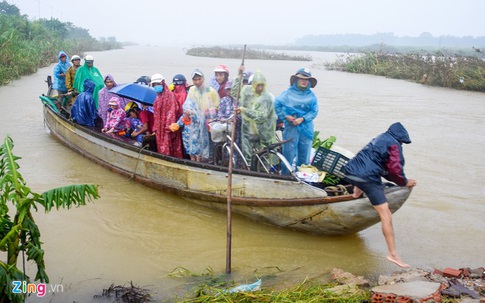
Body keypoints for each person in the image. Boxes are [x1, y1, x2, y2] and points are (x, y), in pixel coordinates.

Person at [343, 122, 417, 268]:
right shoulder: (395, 144)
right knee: (386, 215)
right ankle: (393, 254)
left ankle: (356, 193)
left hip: (350, 171)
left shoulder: (379, 138)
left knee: (366, 170)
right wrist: (405, 182)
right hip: (367, 178)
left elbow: (372, 161)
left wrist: (395, 179)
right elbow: (395, 170)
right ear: (402, 138)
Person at [275, 68, 319, 174]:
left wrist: (303, 118)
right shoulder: (287, 94)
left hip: (306, 128)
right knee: (288, 153)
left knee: (305, 154)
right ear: (296, 80)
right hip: (291, 127)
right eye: (301, 79)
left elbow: (314, 111)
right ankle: (286, 176)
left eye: (307, 79)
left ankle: (302, 176)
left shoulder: (311, 96)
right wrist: (286, 116)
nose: (304, 81)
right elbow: (277, 105)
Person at [235, 71, 277, 164]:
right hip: (249, 129)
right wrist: (239, 76)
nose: (260, 88)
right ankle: (248, 166)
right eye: (258, 85)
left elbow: (261, 116)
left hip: (264, 131)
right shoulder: (247, 92)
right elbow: (235, 92)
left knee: (264, 154)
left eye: (262, 85)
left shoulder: (266, 97)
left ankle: (264, 171)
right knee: (248, 152)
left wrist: (244, 110)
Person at [185, 69, 220, 160]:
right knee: (198, 140)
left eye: (199, 79)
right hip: (196, 121)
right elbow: (188, 104)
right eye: (195, 80)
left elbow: (217, 107)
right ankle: (200, 159)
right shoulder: (192, 90)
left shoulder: (211, 91)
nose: (197, 82)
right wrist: (190, 112)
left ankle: (211, 158)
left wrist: (208, 112)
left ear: (203, 79)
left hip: (209, 121)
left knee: (209, 140)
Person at [151, 73, 183, 158]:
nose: (156, 86)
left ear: (163, 83)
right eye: (154, 85)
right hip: (159, 129)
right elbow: (156, 114)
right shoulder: (158, 97)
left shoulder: (170, 96)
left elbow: (172, 112)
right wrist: (155, 128)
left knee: (168, 148)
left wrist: (168, 127)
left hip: (168, 128)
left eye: (158, 84)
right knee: (161, 148)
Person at [169, 97, 205, 162]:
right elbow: (179, 123)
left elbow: (199, 122)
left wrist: (192, 114)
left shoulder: (196, 116)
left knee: (197, 154)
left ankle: (198, 164)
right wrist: (174, 126)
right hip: (187, 139)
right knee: (191, 154)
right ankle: (192, 163)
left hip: (195, 138)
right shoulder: (184, 116)